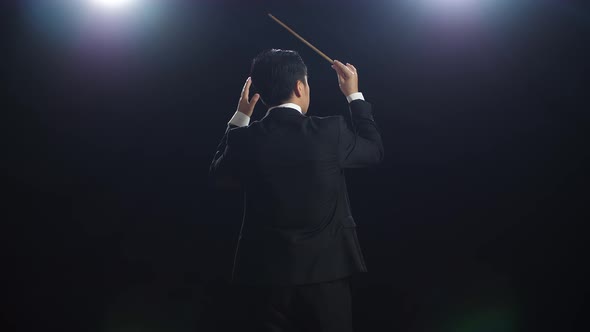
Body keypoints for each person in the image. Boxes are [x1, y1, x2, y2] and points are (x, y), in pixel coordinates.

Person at [210, 49, 383, 332]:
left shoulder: (244, 139)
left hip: (263, 280)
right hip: (326, 276)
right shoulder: (330, 131)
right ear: (300, 86)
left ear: (260, 93)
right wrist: (354, 95)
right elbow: (374, 151)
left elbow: (217, 176)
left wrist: (240, 116)